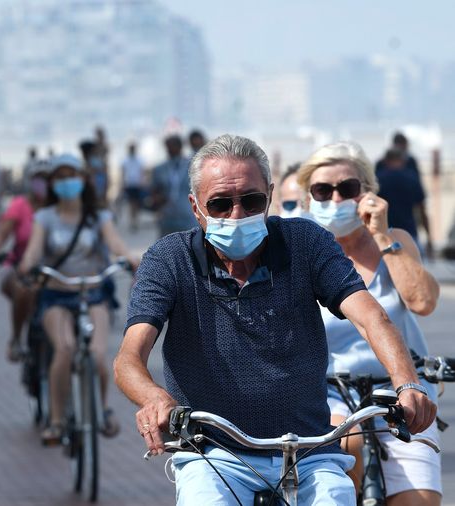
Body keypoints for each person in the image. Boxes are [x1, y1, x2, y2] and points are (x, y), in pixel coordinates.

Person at [113, 134, 436, 505]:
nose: (237, 214)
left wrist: (407, 383)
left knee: (337, 498)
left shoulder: (305, 242)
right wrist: (154, 398)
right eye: (219, 204)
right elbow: (128, 358)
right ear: (195, 207)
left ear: (268, 196)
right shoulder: (169, 259)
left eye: (250, 201)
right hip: (212, 453)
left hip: (308, 450)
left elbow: (370, 317)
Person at [298, 141, 441, 505]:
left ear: (367, 194)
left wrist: (381, 236)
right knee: (348, 451)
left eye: (347, 188)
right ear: (307, 198)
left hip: (400, 387)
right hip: (325, 390)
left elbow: (423, 302)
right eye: (322, 190)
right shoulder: (298, 247)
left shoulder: (396, 241)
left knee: (420, 499)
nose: (335, 197)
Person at [19, 154, 139, 445]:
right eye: (59, 177)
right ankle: (57, 421)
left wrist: (130, 260)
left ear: (83, 179)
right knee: (65, 348)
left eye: (71, 175)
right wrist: (28, 265)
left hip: (94, 292)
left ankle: (102, 409)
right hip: (56, 295)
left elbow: (115, 244)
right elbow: (34, 251)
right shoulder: (45, 217)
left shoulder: (98, 215)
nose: (66, 182)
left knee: (98, 356)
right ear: (51, 184)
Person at [0, 166, 50, 362]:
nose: (43, 184)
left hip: (50, 270)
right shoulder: (20, 204)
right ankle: (16, 339)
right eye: (39, 179)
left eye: (46, 179)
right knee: (22, 289)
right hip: (17, 266)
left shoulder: (57, 206)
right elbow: (3, 231)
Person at [151, 135, 196, 237]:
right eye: (168, 146)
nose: (170, 149)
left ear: (180, 147)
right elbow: (154, 191)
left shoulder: (192, 166)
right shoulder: (160, 169)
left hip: (187, 215)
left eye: (173, 146)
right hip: (167, 215)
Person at [121, 142, 146, 232]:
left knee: (136, 204)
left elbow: (142, 172)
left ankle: (135, 221)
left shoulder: (139, 160)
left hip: (136, 184)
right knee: (131, 203)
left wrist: (142, 182)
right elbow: (123, 172)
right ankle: (132, 221)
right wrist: (123, 183)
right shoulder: (126, 160)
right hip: (129, 184)